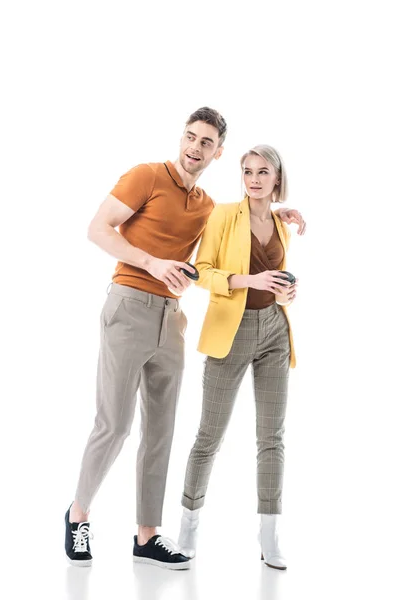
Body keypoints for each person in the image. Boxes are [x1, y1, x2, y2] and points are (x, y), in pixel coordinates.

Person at [64, 109, 305, 570]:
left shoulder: (206, 205)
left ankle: (147, 535)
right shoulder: (146, 176)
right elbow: (97, 229)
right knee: (114, 425)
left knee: (161, 431)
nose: (195, 147)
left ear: (218, 153)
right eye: (190, 137)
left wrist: (277, 211)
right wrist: (152, 264)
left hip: (171, 319)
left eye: (206, 142)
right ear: (183, 138)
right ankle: (78, 515)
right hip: (129, 304)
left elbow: (235, 229)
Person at [178, 144, 301, 571]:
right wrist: (250, 279)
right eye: (247, 171)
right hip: (231, 333)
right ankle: (187, 530)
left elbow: (278, 278)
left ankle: (270, 539)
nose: (253, 178)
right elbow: (202, 272)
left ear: (277, 178)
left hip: (274, 331)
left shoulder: (282, 223)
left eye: (263, 171)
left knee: (272, 438)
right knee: (209, 436)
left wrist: (287, 289)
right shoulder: (224, 215)